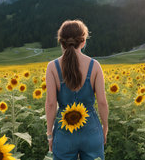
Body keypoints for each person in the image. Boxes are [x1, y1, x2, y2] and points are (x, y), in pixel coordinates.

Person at [45, 19, 108, 160]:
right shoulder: (95, 65)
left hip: (64, 132)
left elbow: (50, 104)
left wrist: (50, 134)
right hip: (91, 130)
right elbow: (102, 102)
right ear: (83, 41)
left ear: (61, 42)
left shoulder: (52, 67)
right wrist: (105, 127)